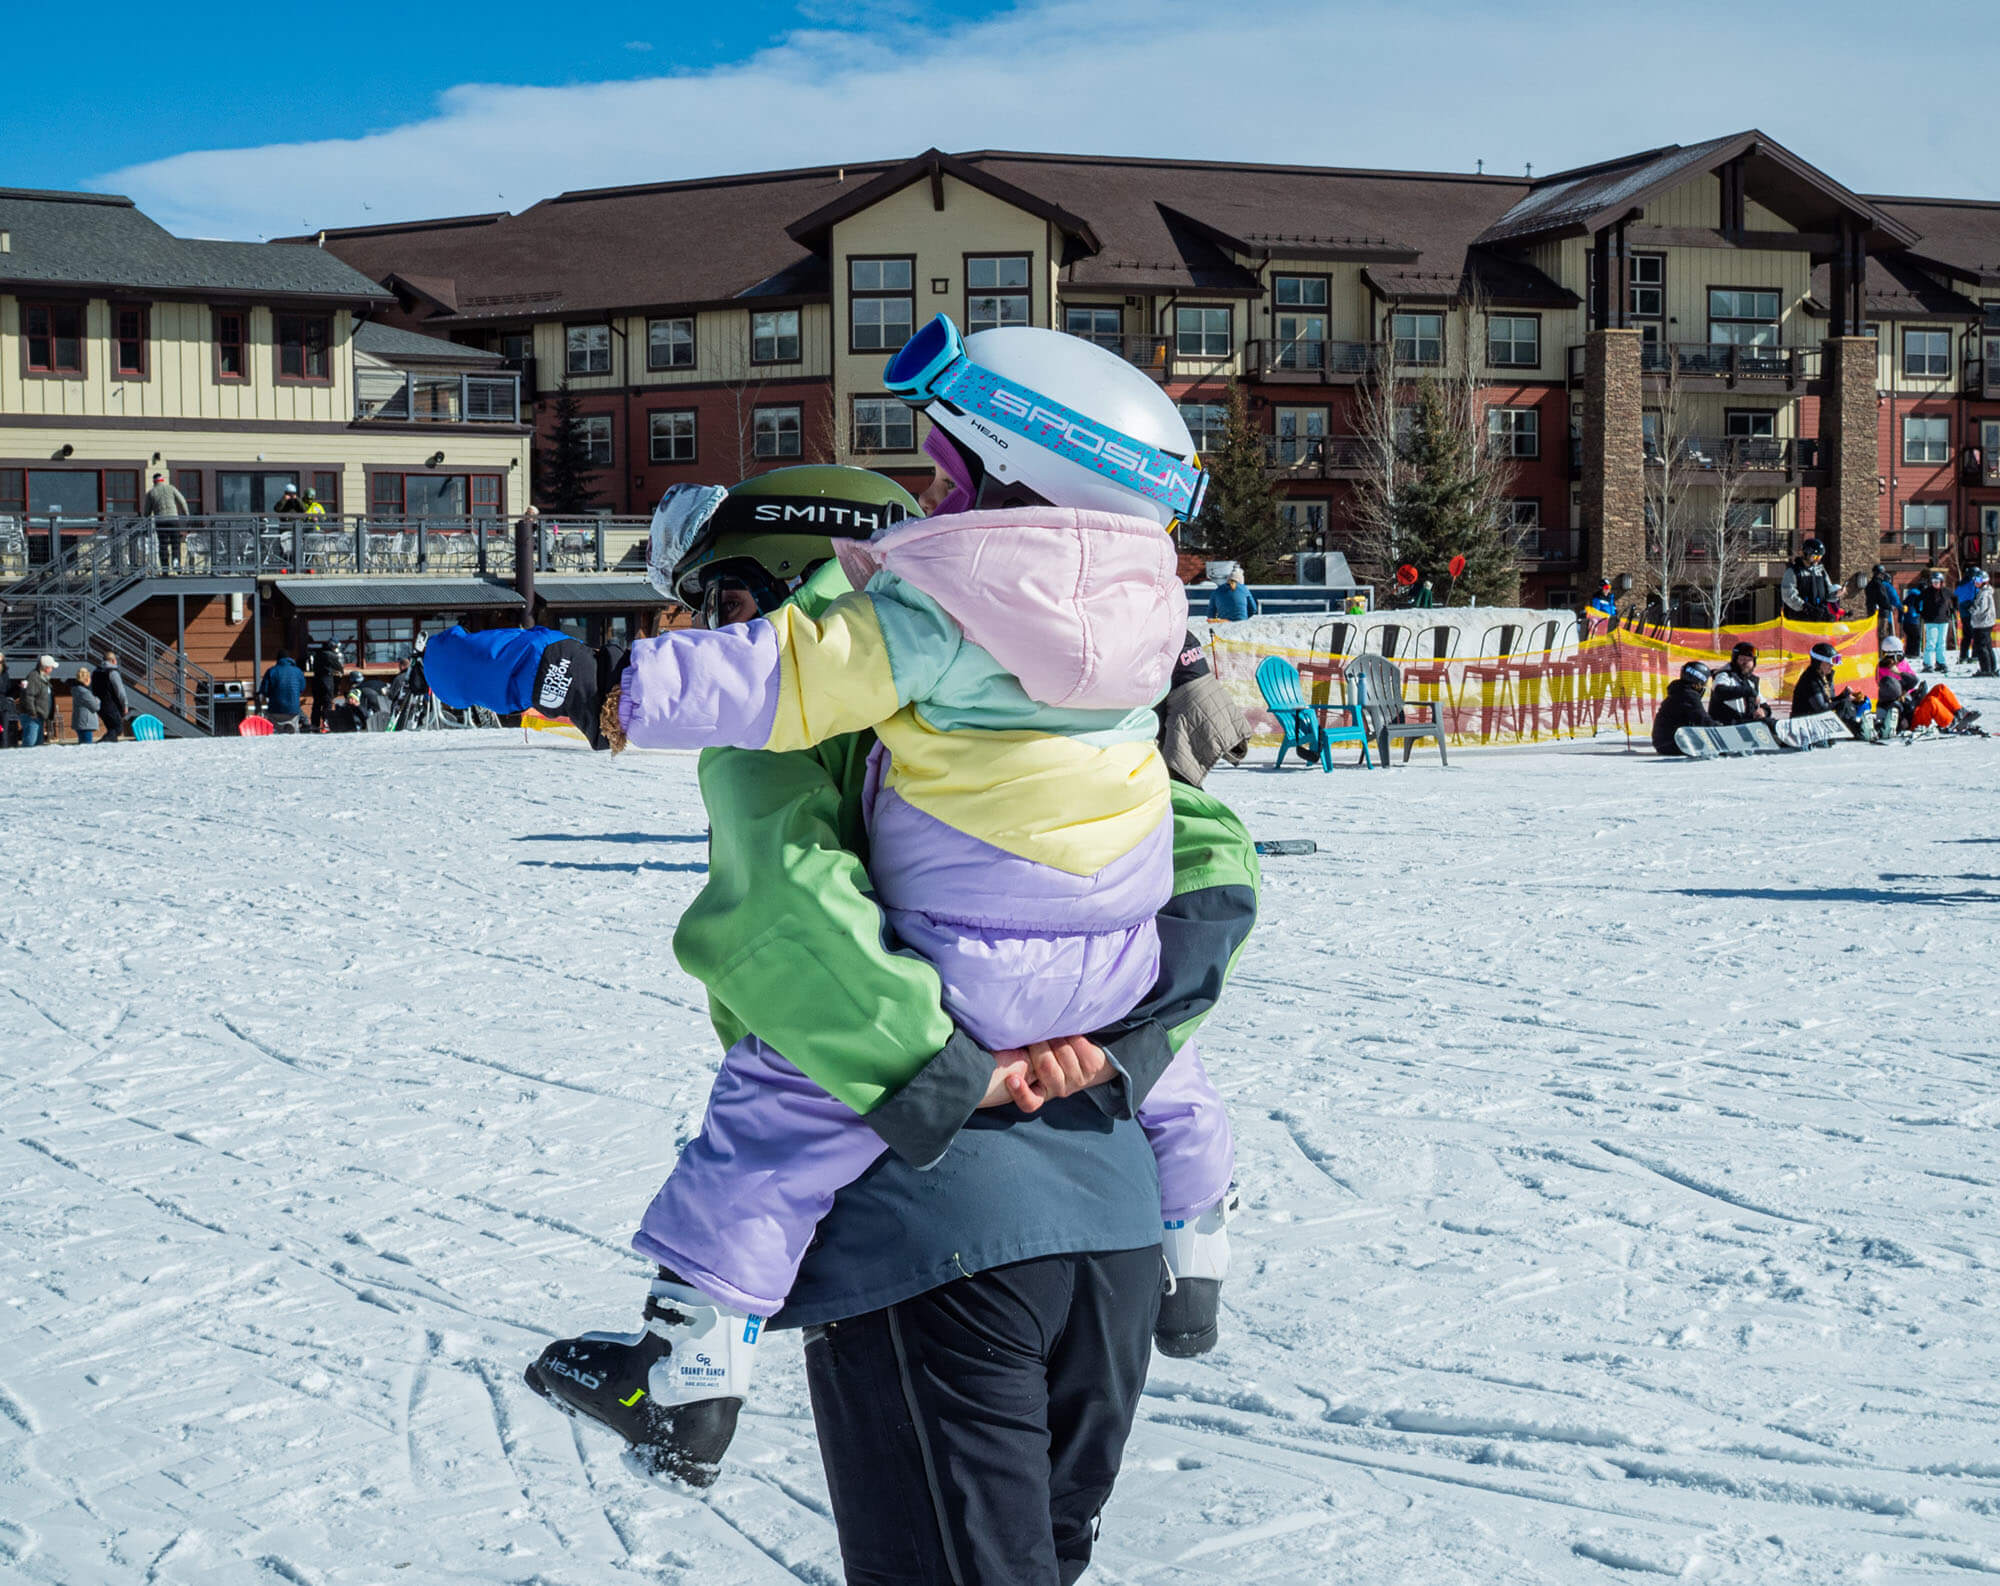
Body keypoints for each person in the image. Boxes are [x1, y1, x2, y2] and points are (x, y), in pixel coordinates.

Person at [427, 330, 1238, 1498]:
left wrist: (574, 678)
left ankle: (687, 1370)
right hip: (1111, 1072)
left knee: (771, 1114)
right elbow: (1209, 861)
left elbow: (791, 913)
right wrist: (1141, 1029)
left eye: (719, 600)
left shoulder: (889, 650)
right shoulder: (1135, 620)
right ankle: (1197, 1238)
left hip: (941, 1190)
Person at [1651, 659, 1716, 755]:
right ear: (1698, 682)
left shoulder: (1681, 691)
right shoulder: (1688, 695)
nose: (1704, 687)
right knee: (1710, 742)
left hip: (1665, 742)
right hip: (1671, 744)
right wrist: (1720, 729)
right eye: (1704, 684)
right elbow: (1702, 719)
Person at [1795, 640, 1865, 728]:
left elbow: (1830, 701)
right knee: (1844, 704)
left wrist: (1843, 695)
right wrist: (1844, 700)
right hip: (1804, 725)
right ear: (1819, 662)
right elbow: (1821, 708)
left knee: (1845, 704)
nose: (1832, 666)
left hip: (1815, 721)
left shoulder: (1825, 677)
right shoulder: (1810, 680)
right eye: (1829, 663)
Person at [1706, 641, 1773, 726]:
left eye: (1749, 660)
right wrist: (1748, 691)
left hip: (1745, 724)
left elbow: (1764, 705)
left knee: (1769, 724)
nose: (1745, 663)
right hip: (1726, 724)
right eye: (1742, 659)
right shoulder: (1725, 675)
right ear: (1735, 660)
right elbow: (1720, 691)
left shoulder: (1751, 681)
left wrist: (1763, 711)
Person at [1780, 536, 1837, 623]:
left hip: (1818, 619)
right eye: (1815, 557)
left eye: (1819, 558)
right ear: (1805, 554)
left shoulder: (1821, 571)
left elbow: (1829, 590)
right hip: (1799, 620)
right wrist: (1806, 608)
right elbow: (1788, 595)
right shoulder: (1794, 572)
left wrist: (1829, 607)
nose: (1817, 560)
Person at [142, 471, 190, 572]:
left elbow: (147, 511)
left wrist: (145, 519)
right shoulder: (171, 488)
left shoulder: (151, 492)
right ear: (163, 480)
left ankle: (165, 568)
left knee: (163, 545)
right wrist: (186, 515)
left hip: (160, 521)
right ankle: (176, 565)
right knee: (175, 544)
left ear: (154, 482)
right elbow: (182, 501)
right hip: (173, 520)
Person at [1916, 569, 1956, 672]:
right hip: (1931, 620)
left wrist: (1953, 610)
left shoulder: (1946, 591)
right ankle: (1928, 664)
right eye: (1933, 582)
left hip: (1943, 620)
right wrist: (1921, 612)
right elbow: (1917, 600)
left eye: (1937, 582)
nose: (1935, 584)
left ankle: (1941, 662)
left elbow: (1955, 598)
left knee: (1941, 642)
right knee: (1931, 643)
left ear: (1941, 582)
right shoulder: (1927, 592)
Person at [259, 653, 306, 732]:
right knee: (294, 732)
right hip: (293, 709)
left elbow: (265, 691)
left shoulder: (271, 671)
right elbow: (302, 688)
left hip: (275, 709)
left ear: (278, 660)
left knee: (275, 733)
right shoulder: (298, 671)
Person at [20, 656, 57, 747]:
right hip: (32, 717)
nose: (52, 669)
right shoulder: (34, 677)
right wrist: (32, 712)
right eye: (51, 667)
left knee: (38, 744)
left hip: (39, 716)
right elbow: (28, 696)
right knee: (30, 742)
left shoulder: (44, 678)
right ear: (45, 667)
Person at [1864, 563, 1903, 650]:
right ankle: (1881, 653)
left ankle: (1871, 650)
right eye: (1882, 574)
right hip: (1881, 613)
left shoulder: (1869, 584)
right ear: (1880, 574)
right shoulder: (1879, 585)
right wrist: (1890, 606)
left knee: (1872, 632)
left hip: (1871, 612)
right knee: (1881, 633)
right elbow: (1883, 598)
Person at [308, 639, 342, 732]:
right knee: (327, 703)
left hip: (316, 680)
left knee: (317, 704)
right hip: (326, 680)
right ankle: (326, 724)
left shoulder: (318, 653)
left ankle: (314, 725)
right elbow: (339, 667)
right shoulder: (330, 655)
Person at [97, 650, 131, 743]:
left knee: (112, 728)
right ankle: (102, 743)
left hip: (100, 706)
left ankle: (110, 747)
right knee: (118, 728)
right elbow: (120, 691)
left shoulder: (96, 671)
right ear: (112, 660)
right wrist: (125, 705)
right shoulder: (112, 672)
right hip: (111, 705)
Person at [1968, 568, 1997, 677]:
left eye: (1978, 580)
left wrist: (1971, 609)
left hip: (1982, 623)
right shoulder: (1984, 591)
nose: (1976, 582)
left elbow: (1981, 608)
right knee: (1987, 646)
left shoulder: (1984, 593)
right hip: (1984, 623)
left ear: (1984, 581)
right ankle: (1991, 667)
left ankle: (1986, 669)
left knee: (1982, 646)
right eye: (1975, 579)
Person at [70, 665, 100, 745]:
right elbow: (95, 707)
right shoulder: (85, 692)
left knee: (82, 744)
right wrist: (97, 699)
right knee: (87, 746)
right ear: (87, 679)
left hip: (80, 722)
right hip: (86, 723)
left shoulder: (76, 690)